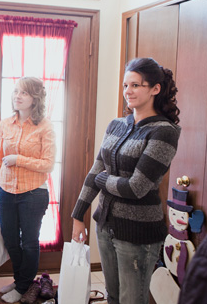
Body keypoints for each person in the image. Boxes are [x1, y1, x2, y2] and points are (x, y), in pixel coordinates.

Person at [71, 57, 181, 304]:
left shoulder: (163, 131)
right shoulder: (116, 125)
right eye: (125, 86)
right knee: (112, 296)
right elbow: (94, 172)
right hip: (106, 226)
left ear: (155, 89)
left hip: (138, 233)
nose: (128, 92)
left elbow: (137, 187)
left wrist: (103, 179)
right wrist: (78, 215)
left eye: (135, 85)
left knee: (131, 300)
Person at [0, 77, 56, 303]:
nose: (17, 96)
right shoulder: (6, 123)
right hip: (6, 192)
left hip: (33, 193)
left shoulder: (45, 126)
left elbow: (48, 163)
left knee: (29, 241)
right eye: (16, 91)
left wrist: (19, 159)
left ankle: (24, 286)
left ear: (35, 98)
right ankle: (21, 280)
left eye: (23, 93)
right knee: (10, 240)